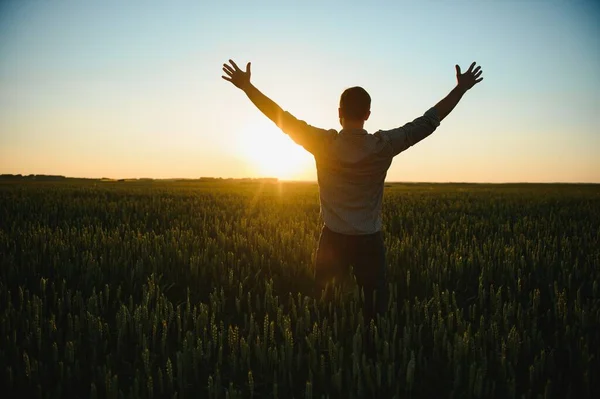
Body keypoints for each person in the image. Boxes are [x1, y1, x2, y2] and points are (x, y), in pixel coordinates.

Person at [222, 59, 483, 323]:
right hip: (370, 241)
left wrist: (247, 87)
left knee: (324, 311)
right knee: (375, 313)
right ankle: (372, 355)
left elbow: (281, 118)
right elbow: (428, 122)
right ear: (368, 114)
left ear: (339, 113)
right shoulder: (384, 145)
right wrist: (460, 89)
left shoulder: (322, 143)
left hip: (332, 239)